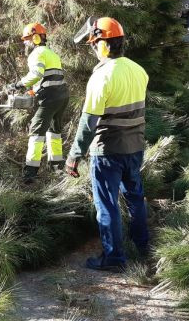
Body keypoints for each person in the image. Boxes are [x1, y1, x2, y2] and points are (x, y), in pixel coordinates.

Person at [65, 17, 149, 272]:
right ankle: (141, 247)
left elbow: (88, 123)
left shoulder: (101, 77)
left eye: (94, 44)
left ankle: (113, 258)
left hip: (108, 151)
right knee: (135, 198)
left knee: (107, 204)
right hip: (135, 147)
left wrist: (74, 156)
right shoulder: (138, 70)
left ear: (103, 44)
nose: (93, 49)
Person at [9, 23, 70, 183]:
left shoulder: (36, 53)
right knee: (54, 130)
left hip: (49, 98)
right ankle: (57, 167)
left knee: (36, 132)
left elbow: (37, 74)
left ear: (35, 37)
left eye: (27, 39)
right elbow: (49, 77)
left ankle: (30, 173)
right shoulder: (51, 53)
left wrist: (18, 84)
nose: (25, 43)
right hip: (62, 96)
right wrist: (33, 89)